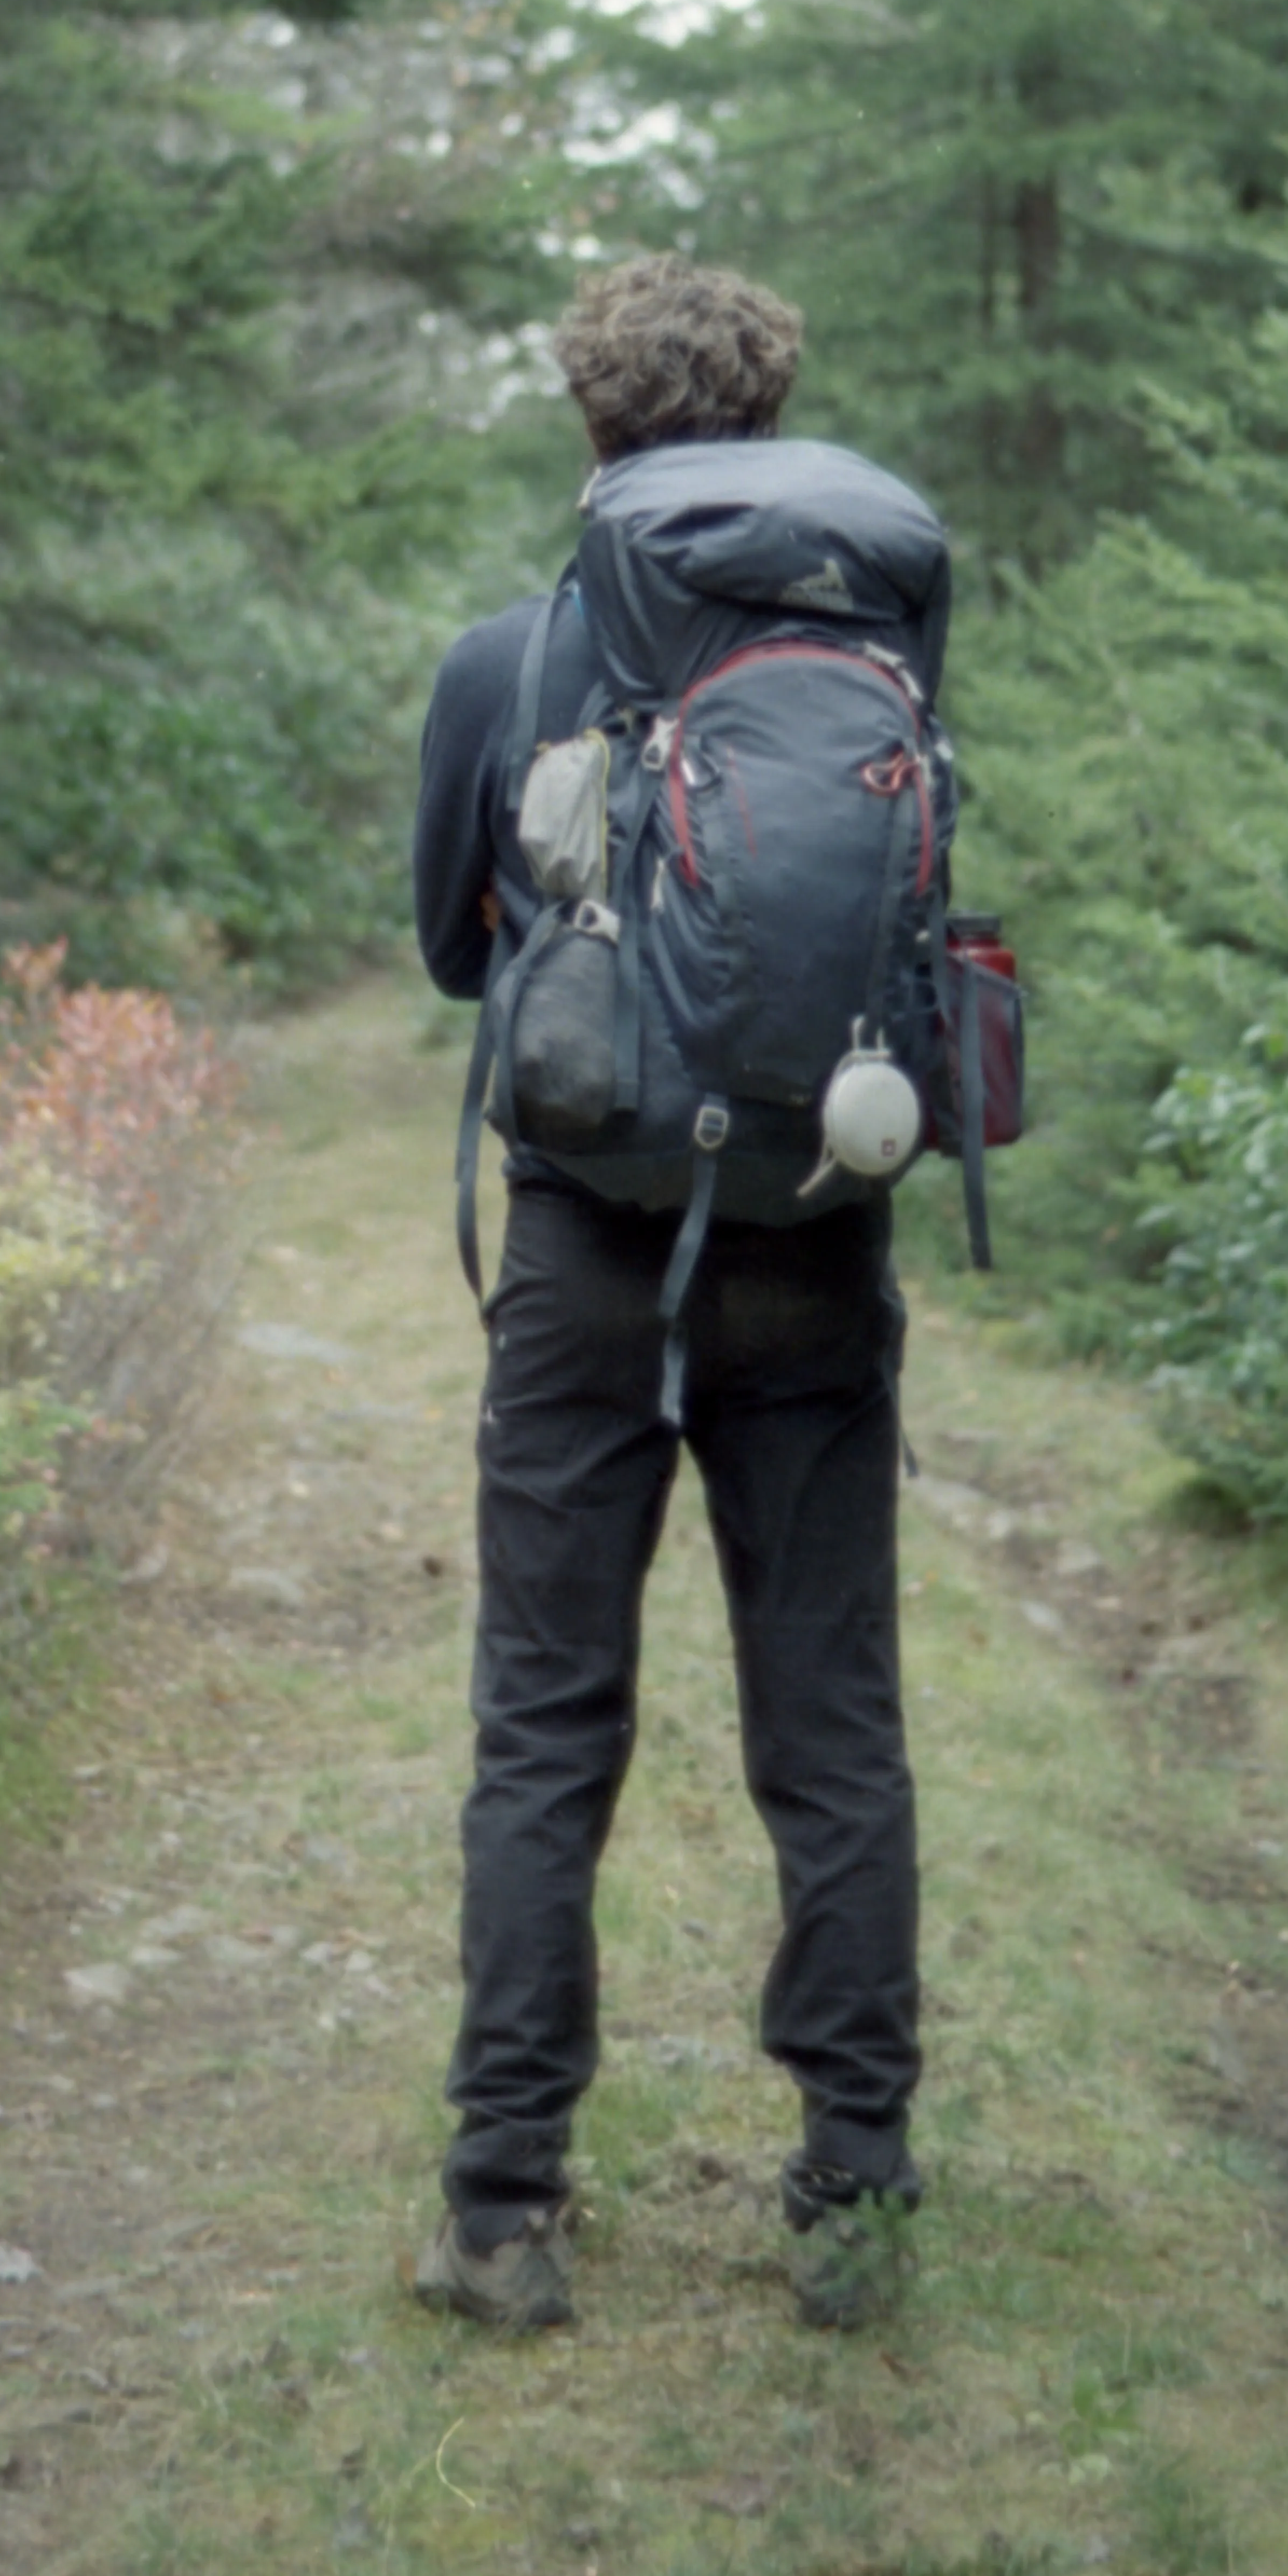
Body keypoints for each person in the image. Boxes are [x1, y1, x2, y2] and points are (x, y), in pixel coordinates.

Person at [408, 254, 924, 2338]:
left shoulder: (500, 665)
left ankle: (507, 2208)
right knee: (834, 1722)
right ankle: (858, 2198)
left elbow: (461, 964)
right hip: (816, 1236)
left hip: (586, 1260)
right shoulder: (875, 658)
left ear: (591, 426)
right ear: (779, 417)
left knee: (547, 1723)